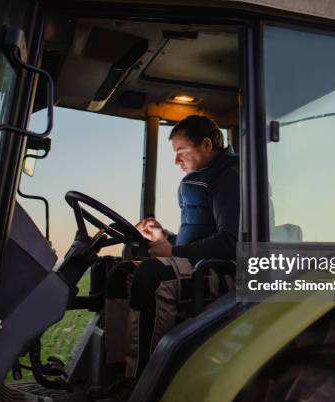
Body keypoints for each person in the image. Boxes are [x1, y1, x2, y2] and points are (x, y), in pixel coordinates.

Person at [103, 114, 240, 386]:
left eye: (181, 152)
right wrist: (164, 237)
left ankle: (145, 380)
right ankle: (117, 370)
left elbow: (230, 242)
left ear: (207, 145)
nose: (176, 160)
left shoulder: (229, 178)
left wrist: (173, 253)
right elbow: (196, 241)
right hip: (199, 263)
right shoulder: (202, 180)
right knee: (118, 273)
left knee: (154, 275)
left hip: (223, 271)